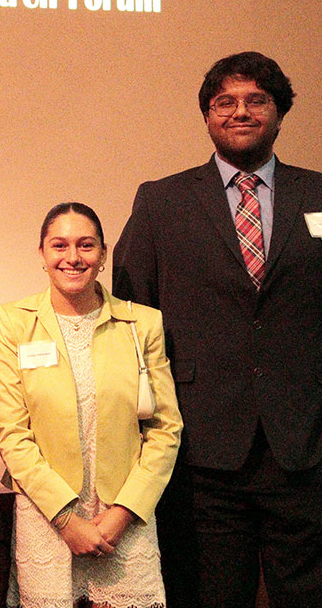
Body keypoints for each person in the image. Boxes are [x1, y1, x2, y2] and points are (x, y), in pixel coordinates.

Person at [113, 51, 322, 608]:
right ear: (206, 115)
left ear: (280, 113)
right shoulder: (161, 201)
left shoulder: (319, 194)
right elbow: (133, 313)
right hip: (200, 444)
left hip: (305, 444)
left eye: (257, 100)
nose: (241, 111)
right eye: (224, 102)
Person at [0, 203, 182, 608]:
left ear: (103, 254)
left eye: (86, 245)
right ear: (42, 254)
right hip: (47, 516)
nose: (73, 257)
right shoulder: (13, 322)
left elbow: (166, 430)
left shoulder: (142, 323)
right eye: (59, 245)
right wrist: (66, 520)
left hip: (124, 517)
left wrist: (122, 514)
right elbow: (12, 434)